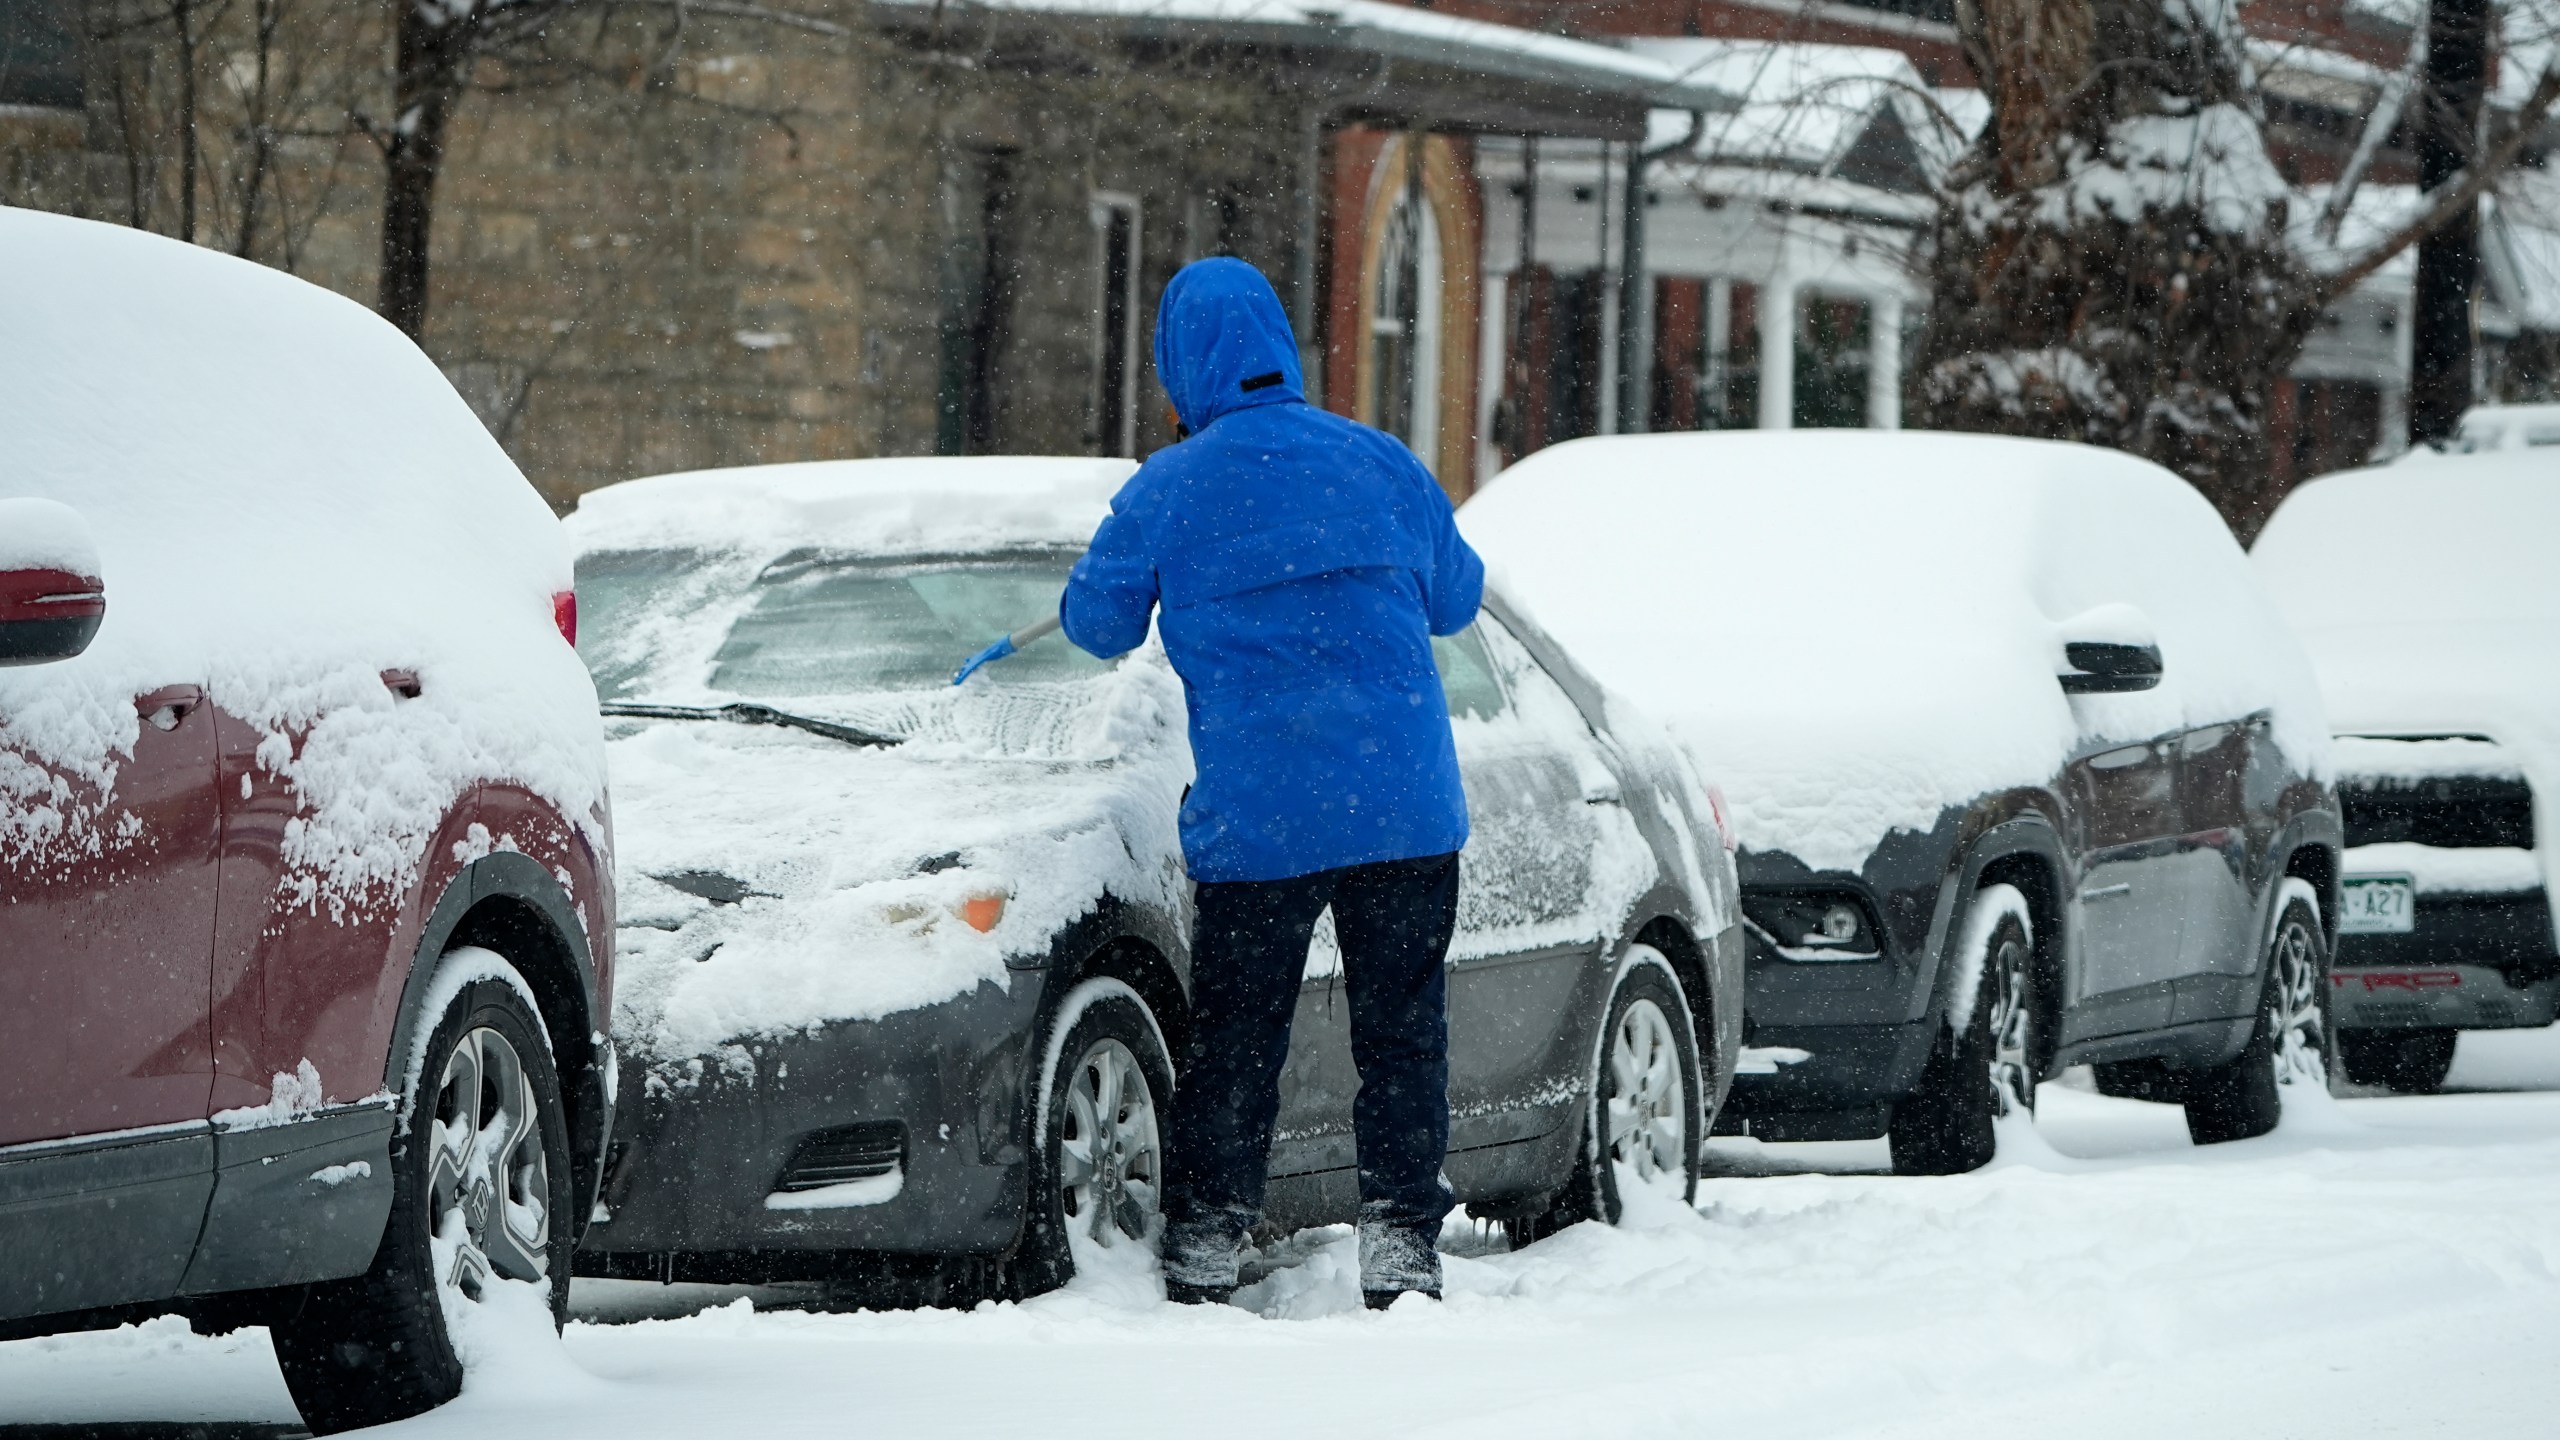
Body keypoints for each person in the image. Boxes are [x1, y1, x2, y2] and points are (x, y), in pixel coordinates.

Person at [1059, 256, 1484, 1310]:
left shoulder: (1168, 489)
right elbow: (1456, 601)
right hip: (1402, 803)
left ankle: (1205, 1239)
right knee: (1401, 1029)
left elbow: (1093, 625)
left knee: (1240, 1036)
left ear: (1180, 367)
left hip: (1266, 817)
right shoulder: (1380, 462)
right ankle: (1400, 1243)